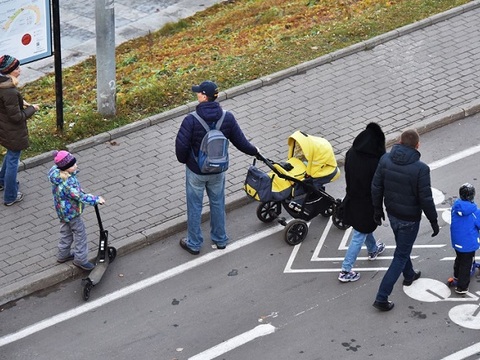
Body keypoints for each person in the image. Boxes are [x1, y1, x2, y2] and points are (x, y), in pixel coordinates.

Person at [175, 81, 259, 255]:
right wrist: (254, 151)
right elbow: (240, 142)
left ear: (204, 96)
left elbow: (181, 147)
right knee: (218, 202)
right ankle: (220, 239)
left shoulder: (191, 120)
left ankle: (194, 243)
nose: (196, 94)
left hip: (196, 171)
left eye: (199, 93)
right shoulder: (227, 117)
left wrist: (186, 161)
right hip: (218, 170)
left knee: (195, 206)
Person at [371, 129, 439, 311]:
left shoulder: (385, 159)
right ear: (417, 145)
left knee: (402, 247)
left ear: (400, 141)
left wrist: (377, 209)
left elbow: (376, 187)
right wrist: (433, 220)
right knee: (400, 255)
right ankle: (382, 297)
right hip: (410, 219)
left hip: (392, 213)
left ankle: (409, 274)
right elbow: (426, 198)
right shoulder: (421, 169)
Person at [338, 123, 386, 282]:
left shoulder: (351, 153)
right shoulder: (375, 160)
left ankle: (373, 249)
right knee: (359, 233)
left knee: (363, 227)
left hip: (352, 197)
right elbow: (378, 185)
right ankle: (346, 269)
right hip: (367, 202)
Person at [48, 150, 105, 270]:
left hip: (62, 212)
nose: (76, 166)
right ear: (66, 168)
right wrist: (96, 199)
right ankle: (80, 259)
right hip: (72, 213)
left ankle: (63, 255)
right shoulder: (68, 182)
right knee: (80, 235)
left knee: (66, 233)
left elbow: (75, 192)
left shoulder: (56, 174)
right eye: (73, 165)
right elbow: (79, 196)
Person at [0, 55, 40, 206]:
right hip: (13, 131)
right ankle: (10, 196)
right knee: (13, 160)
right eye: (16, 68)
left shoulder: (3, 86)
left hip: (4, 129)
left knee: (10, 155)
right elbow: (17, 117)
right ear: (9, 71)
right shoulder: (9, 91)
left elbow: (6, 103)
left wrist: (21, 102)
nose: (20, 70)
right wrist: (32, 109)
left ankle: (1, 182)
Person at [450, 183, 480, 294]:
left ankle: (456, 276)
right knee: (466, 264)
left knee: (459, 258)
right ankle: (462, 287)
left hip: (457, 241)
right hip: (468, 243)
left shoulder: (455, 208)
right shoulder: (475, 212)